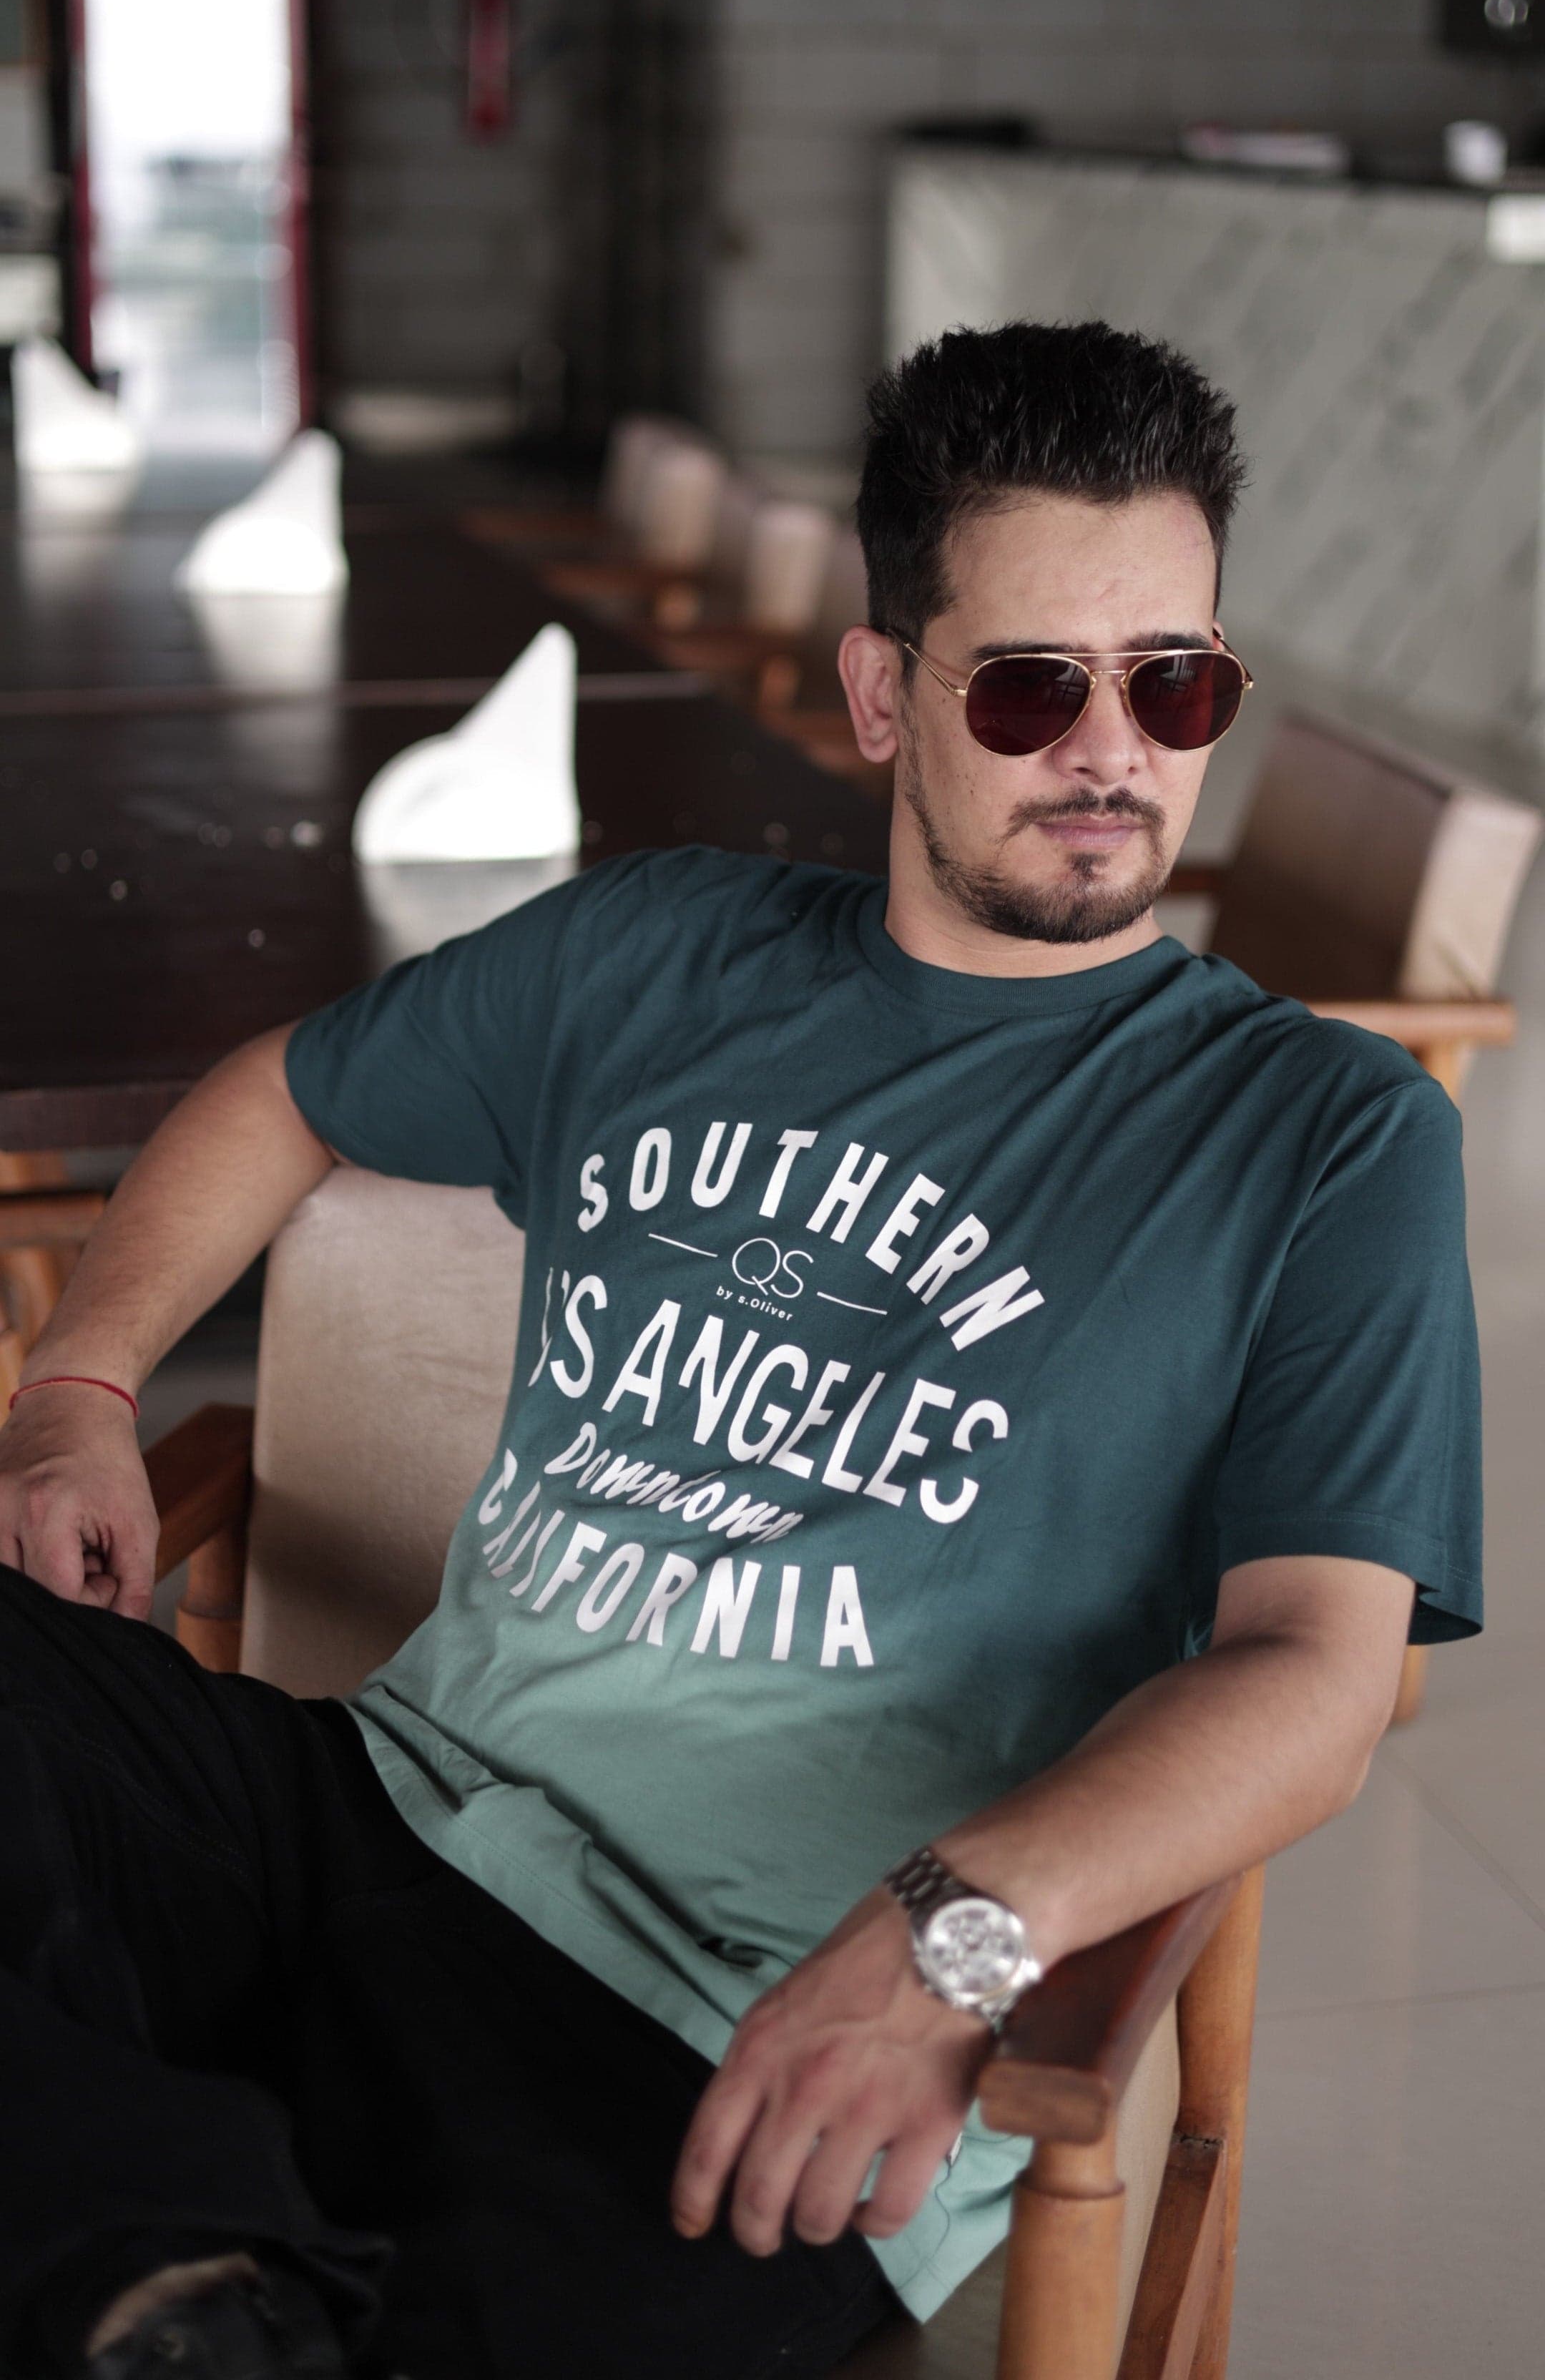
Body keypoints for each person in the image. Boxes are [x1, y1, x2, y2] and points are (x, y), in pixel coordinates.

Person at [0, 322, 1481, 2380]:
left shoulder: (1325, 1136)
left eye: (1180, 679)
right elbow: (290, 1087)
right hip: (374, 1804)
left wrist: (947, 1941)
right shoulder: (654, 952)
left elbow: (1318, 1674)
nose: (1117, 749)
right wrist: (81, 1384)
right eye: (1040, 682)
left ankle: (154, 2255)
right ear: (885, 693)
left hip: (746, 2020)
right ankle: (163, 2263)